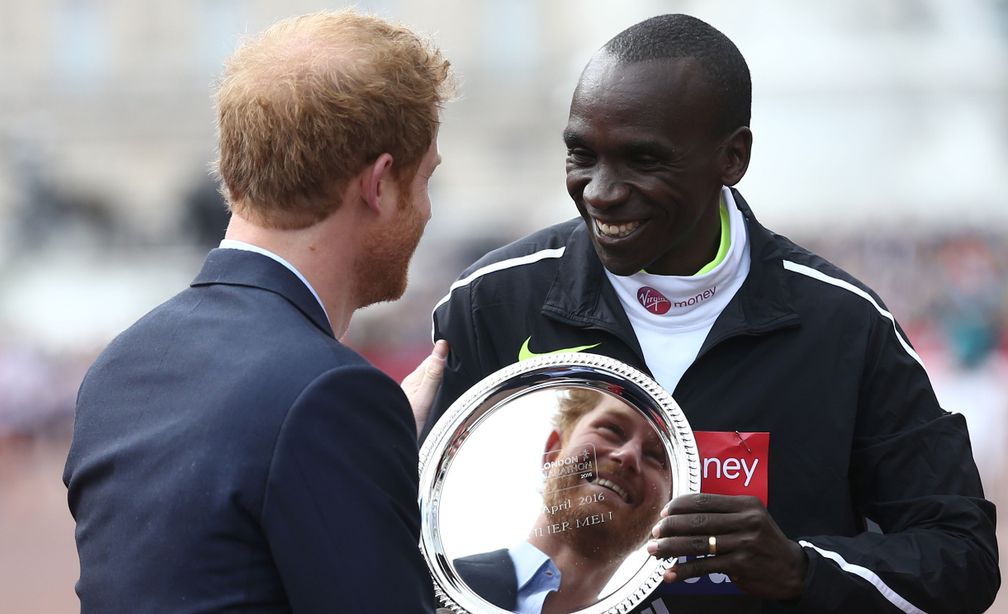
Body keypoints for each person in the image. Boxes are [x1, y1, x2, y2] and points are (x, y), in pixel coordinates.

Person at [424, 13, 1000, 614]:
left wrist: (800, 568)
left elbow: (962, 557)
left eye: (643, 160)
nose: (600, 190)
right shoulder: (491, 301)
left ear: (733, 157)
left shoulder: (844, 326)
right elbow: (408, 536)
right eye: (581, 154)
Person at [63, 10, 453, 613]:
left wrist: (367, 444)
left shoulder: (122, 363)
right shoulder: (328, 396)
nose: (427, 209)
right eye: (425, 179)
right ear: (379, 185)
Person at [454, 389, 672, 613]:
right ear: (554, 451)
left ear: (667, 510)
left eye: (655, 456)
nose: (628, 456)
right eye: (612, 430)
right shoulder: (429, 584)